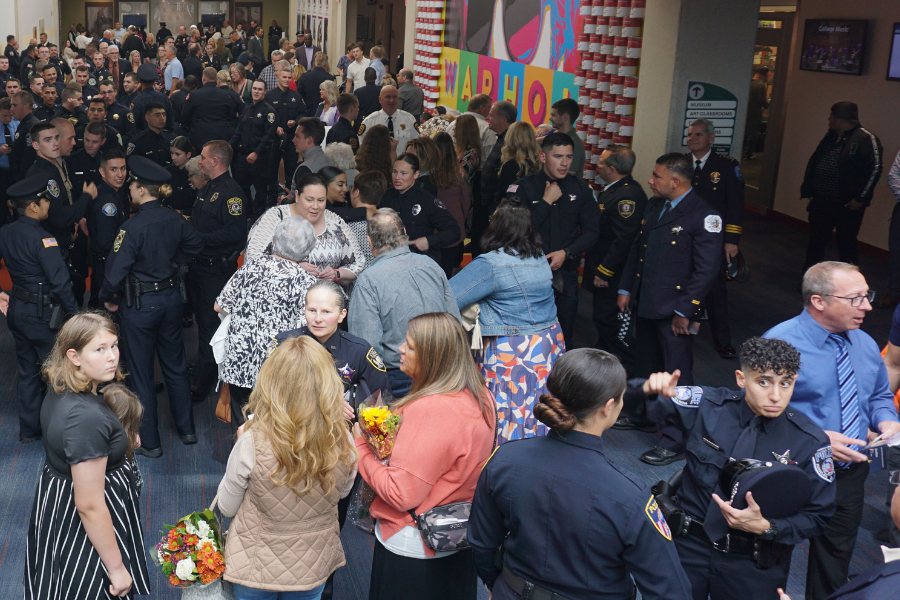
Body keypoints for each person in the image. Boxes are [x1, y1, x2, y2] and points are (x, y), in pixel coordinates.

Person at [469, 349, 692, 600]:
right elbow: (670, 589)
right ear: (608, 407)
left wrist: (498, 586)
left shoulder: (504, 460)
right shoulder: (630, 495)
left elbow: (481, 543)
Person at [624, 337, 837, 600]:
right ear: (740, 378)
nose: (775, 395)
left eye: (786, 383)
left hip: (753, 562)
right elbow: (634, 410)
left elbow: (819, 515)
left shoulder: (810, 442)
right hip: (689, 547)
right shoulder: (707, 406)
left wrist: (768, 527)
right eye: (763, 382)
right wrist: (644, 389)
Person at [764, 261, 900, 600]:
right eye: (856, 299)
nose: (867, 306)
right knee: (773, 555)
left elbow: (881, 395)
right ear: (819, 301)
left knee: (835, 561)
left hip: (850, 472)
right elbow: (756, 414)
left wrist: (885, 418)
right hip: (793, 468)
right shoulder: (779, 344)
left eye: (867, 296)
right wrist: (818, 440)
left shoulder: (865, 344)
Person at [352, 312, 495, 600]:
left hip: (415, 546)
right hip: (454, 533)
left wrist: (360, 447)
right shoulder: (480, 394)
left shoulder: (432, 409)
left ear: (433, 357)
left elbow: (400, 493)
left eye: (410, 346)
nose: (400, 350)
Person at [218, 334, 357, 600]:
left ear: (272, 382)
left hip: (255, 564)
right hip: (313, 563)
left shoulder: (252, 441)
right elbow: (341, 494)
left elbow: (227, 506)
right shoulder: (345, 439)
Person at [25, 312, 150, 599]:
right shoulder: (85, 418)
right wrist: (116, 568)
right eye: (99, 349)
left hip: (60, 506)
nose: (112, 357)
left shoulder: (62, 388)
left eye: (114, 346)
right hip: (84, 526)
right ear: (74, 356)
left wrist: (117, 437)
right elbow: (90, 505)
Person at [617, 152, 722, 466]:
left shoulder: (704, 215)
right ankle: (643, 416)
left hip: (676, 312)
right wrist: (626, 288)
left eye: (656, 176)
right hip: (648, 303)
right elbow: (639, 250)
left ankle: (675, 440)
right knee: (645, 366)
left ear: (675, 181)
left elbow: (706, 271)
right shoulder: (655, 205)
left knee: (678, 378)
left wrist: (686, 311)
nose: (650, 181)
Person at [100, 156, 203, 457]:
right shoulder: (174, 217)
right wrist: (173, 265)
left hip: (139, 305)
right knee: (175, 366)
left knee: (142, 373)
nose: (130, 190)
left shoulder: (131, 227)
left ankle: (151, 442)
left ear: (142, 190)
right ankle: (187, 430)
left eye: (132, 185)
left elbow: (115, 272)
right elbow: (195, 246)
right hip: (171, 300)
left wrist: (109, 297)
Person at [449, 197, 562, 443]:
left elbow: (449, 297)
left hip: (510, 351)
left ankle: (504, 459)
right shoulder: (539, 258)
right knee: (536, 404)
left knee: (505, 408)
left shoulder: (491, 264)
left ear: (497, 228)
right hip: (546, 345)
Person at [215, 216, 319, 426]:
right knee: (276, 432)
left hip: (239, 363)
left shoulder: (249, 268)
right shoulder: (306, 282)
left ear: (275, 241)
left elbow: (219, 306)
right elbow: (306, 329)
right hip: (278, 370)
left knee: (244, 429)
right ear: (308, 249)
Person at [0, 175, 80, 442]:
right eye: (45, 199)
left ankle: (29, 431)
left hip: (18, 310)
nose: (48, 203)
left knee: (27, 372)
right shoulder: (45, 239)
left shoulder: (6, 231)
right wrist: (76, 315)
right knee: (58, 375)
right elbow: (60, 282)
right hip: (43, 315)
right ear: (33, 206)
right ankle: (59, 435)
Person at [349, 209, 460, 396]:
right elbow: (454, 322)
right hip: (443, 372)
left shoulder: (368, 280)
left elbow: (368, 347)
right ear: (404, 232)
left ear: (369, 242)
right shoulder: (431, 265)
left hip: (399, 377)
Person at [506, 132, 598, 347]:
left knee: (564, 335)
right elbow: (515, 232)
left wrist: (567, 252)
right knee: (526, 337)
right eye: (558, 156)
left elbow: (593, 232)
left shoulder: (581, 189)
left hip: (565, 275)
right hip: (527, 272)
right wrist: (546, 202)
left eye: (568, 157)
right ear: (542, 157)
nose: (564, 163)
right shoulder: (522, 188)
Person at [188, 141, 248, 403]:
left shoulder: (231, 193)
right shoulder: (208, 188)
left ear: (215, 161)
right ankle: (204, 367)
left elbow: (235, 234)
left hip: (216, 270)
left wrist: (197, 239)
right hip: (198, 267)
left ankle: (204, 381)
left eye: (202, 157)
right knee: (202, 321)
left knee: (210, 324)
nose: (198, 161)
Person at [583, 144, 647, 376]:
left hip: (613, 275)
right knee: (602, 318)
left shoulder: (627, 196)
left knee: (611, 320)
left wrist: (604, 272)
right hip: (603, 268)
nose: (597, 165)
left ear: (611, 169)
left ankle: (626, 367)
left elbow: (623, 241)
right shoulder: (615, 189)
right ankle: (608, 359)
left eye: (600, 162)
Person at [686, 117, 745, 359]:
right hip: (684, 236)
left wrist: (731, 240)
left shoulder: (727, 166)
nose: (692, 139)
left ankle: (723, 340)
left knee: (715, 290)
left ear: (711, 138)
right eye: (690, 135)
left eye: (698, 135)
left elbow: (735, 205)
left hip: (713, 239)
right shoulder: (680, 163)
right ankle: (681, 330)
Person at [801, 102, 883, 273]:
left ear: (840, 120)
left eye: (831, 116)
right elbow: (815, 160)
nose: (828, 119)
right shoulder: (830, 136)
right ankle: (809, 279)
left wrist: (861, 198)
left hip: (846, 204)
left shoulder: (866, 138)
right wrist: (809, 190)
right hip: (821, 201)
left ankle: (850, 283)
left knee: (846, 243)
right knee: (816, 242)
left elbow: (875, 169)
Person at [28, 121, 99, 303]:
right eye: (48, 140)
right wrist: (86, 197)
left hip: (62, 244)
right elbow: (59, 218)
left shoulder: (56, 165)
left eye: (56, 138)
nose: (55, 143)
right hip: (53, 248)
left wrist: (77, 219)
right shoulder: (43, 174)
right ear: (36, 145)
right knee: (63, 302)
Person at [380, 153, 460, 264]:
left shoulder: (426, 200)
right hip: (390, 259)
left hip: (417, 262)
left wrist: (429, 241)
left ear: (416, 175)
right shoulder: (387, 196)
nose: (397, 177)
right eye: (395, 172)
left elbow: (454, 231)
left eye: (403, 173)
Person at [470, 100, 514, 257]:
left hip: (495, 205)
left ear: (502, 119)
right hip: (488, 202)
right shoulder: (501, 139)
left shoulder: (510, 142)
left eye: (492, 115)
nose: (488, 117)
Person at [86, 149, 129, 309]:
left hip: (105, 266)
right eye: (114, 169)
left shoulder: (112, 193)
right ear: (102, 172)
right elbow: (108, 243)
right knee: (107, 316)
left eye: (123, 168)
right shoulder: (107, 203)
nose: (120, 174)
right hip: (107, 268)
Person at [229, 78, 276, 219]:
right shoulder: (247, 109)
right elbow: (238, 132)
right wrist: (227, 147)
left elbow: (268, 137)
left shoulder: (269, 112)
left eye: (260, 89)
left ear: (265, 92)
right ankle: (247, 213)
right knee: (242, 187)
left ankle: (258, 218)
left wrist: (256, 153)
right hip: (243, 156)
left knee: (260, 190)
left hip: (260, 157)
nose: (256, 91)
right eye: (254, 89)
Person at [432, 132, 470, 277]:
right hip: (455, 230)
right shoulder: (459, 174)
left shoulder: (429, 174)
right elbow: (465, 203)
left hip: (434, 233)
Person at [266, 60, 303, 202]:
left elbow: (303, 114)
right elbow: (266, 117)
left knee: (291, 171)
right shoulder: (269, 96)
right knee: (271, 171)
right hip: (274, 140)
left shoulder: (296, 96)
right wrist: (275, 127)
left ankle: (290, 199)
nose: (287, 80)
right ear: (278, 78)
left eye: (289, 78)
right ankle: (271, 201)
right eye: (284, 77)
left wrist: (296, 121)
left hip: (291, 140)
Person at [181, 66, 242, 152]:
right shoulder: (226, 95)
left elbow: (185, 116)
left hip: (198, 137)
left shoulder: (194, 95)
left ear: (203, 79)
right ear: (217, 79)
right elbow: (230, 115)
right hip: (220, 137)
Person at [343, 170, 386, 273]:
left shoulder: (348, 227)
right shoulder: (390, 222)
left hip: (358, 282)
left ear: (356, 193)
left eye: (351, 188)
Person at [358, 85, 420, 153]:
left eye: (394, 97)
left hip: (403, 162)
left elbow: (416, 146)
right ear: (380, 99)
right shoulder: (370, 121)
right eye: (388, 97)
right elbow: (362, 147)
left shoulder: (409, 120)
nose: (391, 100)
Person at [495, 121, 540, 208]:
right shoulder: (539, 163)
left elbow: (505, 196)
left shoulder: (510, 166)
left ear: (510, 138)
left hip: (514, 214)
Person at [126, 101, 173, 166]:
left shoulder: (171, 139)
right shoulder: (137, 142)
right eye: (157, 115)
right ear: (147, 118)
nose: (162, 118)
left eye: (164, 115)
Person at [546, 98, 584, 176]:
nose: (550, 118)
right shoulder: (553, 136)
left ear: (565, 117)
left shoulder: (575, 144)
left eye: (553, 115)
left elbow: (569, 175)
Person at [130, 62, 173, 132]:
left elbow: (133, 126)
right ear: (154, 80)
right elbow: (170, 122)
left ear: (139, 81)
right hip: (163, 138)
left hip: (143, 139)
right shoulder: (164, 98)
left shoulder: (137, 102)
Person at [9, 91, 39, 178]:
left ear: (25, 106)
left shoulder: (31, 127)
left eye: (15, 105)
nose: (11, 109)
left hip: (27, 177)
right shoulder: (23, 124)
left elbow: (29, 158)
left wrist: (22, 179)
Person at [743, 67, 769, 160]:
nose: (766, 77)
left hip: (745, 112)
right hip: (755, 113)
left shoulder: (746, 83)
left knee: (745, 132)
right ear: (762, 74)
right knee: (753, 133)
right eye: (766, 75)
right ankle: (748, 154)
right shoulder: (761, 86)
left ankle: (742, 153)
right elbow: (763, 102)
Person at [298, 51, 335, 118]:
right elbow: (332, 96)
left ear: (315, 63)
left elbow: (299, 94)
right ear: (326, 64)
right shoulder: (330, 78)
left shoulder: (304, 76)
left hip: (308, 111)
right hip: (324, 113)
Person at [100, 80, 136, 145]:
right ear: (99, 94)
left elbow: (130, 135)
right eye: (103, 93)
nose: (107, 96)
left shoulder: (125, 112)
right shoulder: (96, 112)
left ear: (115, 92)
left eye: (110, 92)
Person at [166, 135, 195, 214]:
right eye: (171, 153)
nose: (173, 157)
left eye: (177, 154)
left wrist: (182, 212)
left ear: (188, 154)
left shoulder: (196, 173)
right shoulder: (167, 172)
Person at [453, 113, 483, 187]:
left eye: (456, 126)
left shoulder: (472, 153)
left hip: (461, 194)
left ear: (463, 130)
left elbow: (459, 177)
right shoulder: (455, 147)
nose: (453, 128)